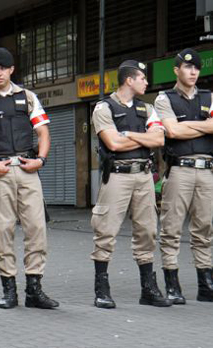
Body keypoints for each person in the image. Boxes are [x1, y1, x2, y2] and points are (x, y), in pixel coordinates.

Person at [0, 47, 58, 310]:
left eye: (2, 68)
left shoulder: (27, 97)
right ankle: (9, 289)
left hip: (28, 169)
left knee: (37, 228)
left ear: (11, 69)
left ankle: (34, 290)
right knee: (3, 229)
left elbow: (43, 131)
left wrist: (41, 159)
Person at [91, 60, 171, 308]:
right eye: (142, 78)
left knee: (147, 231)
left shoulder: (146, 109)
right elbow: (113, 144)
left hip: (144, 176)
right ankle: (101, 290)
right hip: (117, 175)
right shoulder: (103, 108)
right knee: (106, 231)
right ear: (129, 80)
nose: (146, 82)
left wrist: (130, 135)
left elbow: (159, 139)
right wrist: (142, 139)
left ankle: (148, 289)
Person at [154, 48, 213, 303]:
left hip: (207, 170)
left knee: (205, 229)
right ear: (177, 70)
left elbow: (180, 128)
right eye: (188, 68)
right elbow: (172, 132)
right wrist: (203, 127)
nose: (193, 72)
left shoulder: (210, 97)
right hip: (179, 170)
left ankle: (205, 283)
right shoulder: (164, 99)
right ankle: (172, 281)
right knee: (172, 228)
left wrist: (184, 126)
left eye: (196, 68)